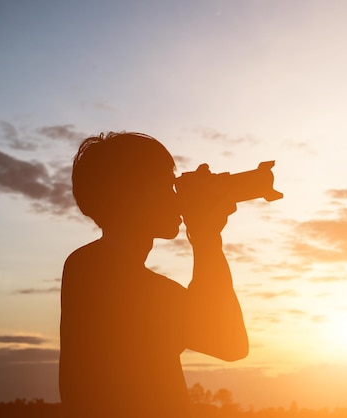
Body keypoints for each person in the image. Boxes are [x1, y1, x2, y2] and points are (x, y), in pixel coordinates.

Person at [59, 132, 249, 418]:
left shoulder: (88, 267)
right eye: (165, 182)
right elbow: (228, 341)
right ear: (127, 192)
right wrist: (206, 237)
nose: (176, 195)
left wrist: (206, 234)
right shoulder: (97, 273)